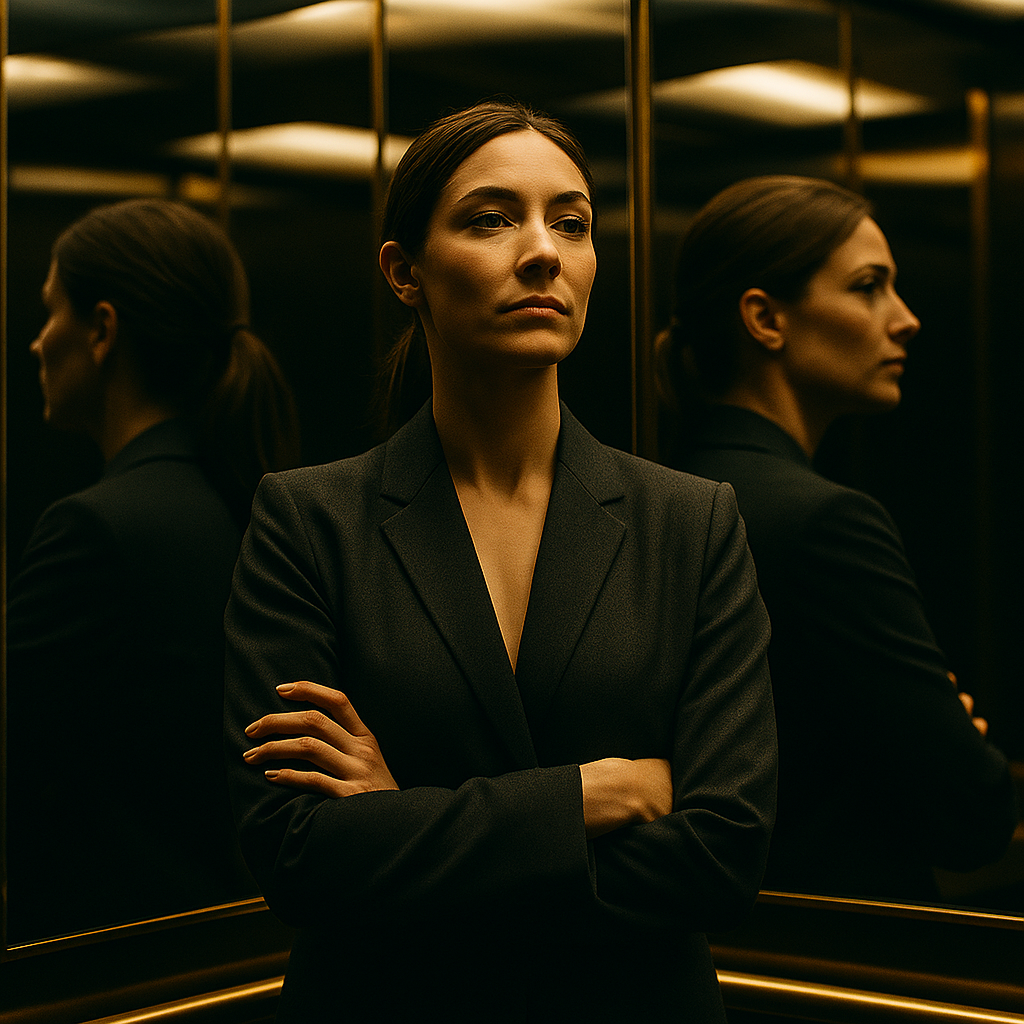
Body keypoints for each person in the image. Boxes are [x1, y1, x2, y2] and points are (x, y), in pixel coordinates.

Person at [223, 100, 777, 1023]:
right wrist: (589, 796)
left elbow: (723, 855)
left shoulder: (691, 521)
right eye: (491, 219)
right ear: (405, 271)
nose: (543, 252)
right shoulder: (310, 520)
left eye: (571, 222)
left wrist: (405, 820)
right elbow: (297, 855)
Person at [657, 175, 1018, 903]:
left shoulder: (658, 496)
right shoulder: (825, 524)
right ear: (765, 319)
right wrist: (949, 727)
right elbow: (973, 813)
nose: (906, 318)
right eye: (868, 287)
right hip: (844, 936)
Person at [6, 198, 301, 941]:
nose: (37, 344)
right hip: (238, 937)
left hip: (105, 952)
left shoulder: (95, 530)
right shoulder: (263, 508)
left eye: (50, 315)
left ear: (102, 331)